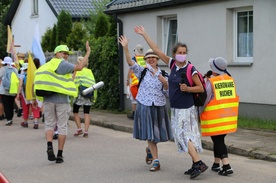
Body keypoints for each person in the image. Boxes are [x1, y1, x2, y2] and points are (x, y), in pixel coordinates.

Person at [134, 25, 208, 179]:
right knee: (185, 136)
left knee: (182, 135)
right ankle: (195, 163)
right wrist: (144, 34)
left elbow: (200, 88)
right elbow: (156, 49)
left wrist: (187, 89)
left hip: (186, 108)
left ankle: (198, 162)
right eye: (179, 53)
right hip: (176, 108)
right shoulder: (172, 64)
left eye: (184, 52)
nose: (182, 55)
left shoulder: (190, 69)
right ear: (174, 54)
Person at [119, 35, 173, 172]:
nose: (151, 59)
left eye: (153, 57)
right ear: (146, 60)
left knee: (156, 134)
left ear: (157, 59)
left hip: (159, 106)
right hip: (144, 105)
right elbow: (130, 63)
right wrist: (125, 48)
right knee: (150, 134)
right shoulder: (142, 71)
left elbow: (167, 94)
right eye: (148, 57)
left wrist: (165, 83)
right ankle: (156, 161)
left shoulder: (165, 74)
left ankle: (150, 150)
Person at [34, 41, 91, 163]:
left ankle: (49, 146)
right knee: (62, 127)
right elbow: (80, 67)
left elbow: (66, 80)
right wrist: (88, 53)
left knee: (49, 124)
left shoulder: (47, 66)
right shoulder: (62, 64)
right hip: (62, 101)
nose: (65, 55)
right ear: (57, 53)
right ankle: (59, 155)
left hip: (48, 100)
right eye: (64, 53)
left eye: (67, 54)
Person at [199, 57, 239, 176]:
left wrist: (198, 112)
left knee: (218, 141)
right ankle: (216, 164)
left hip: (215, 118)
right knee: (219, 140)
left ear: (214, 69)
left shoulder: (211, 82)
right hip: (228, 117)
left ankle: (227, 166)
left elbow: (205, 100)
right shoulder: (230, 79)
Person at [72, 56, 96, 138]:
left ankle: (79, 129)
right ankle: (86, 132)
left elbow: (73, 81)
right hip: (88, 94)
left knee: (75, 111)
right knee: (87, 113)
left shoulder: (77, 70)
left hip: (79, 94)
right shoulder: (90, 71)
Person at [16, 63, 40, 129]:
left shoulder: (22, 75)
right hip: (33, 94)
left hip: (25, 95)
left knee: (25, 108)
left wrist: (18, 94)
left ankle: (25, 122)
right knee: (35, 107)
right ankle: (35, 122)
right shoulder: (35, 74)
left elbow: (20, 85)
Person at [126, 44, 145, 120]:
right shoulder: (144, 59)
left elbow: (131, 70)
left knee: (134, 99)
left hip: (135, 82)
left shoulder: (134, 59)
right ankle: (141, 115)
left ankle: (134, 115)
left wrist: (127, 80)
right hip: (143, 82)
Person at [0, 57, 19, 126]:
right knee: (11, 104)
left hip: (4, 90)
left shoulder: (2, 69)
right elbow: (18, 78)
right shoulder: (15, 69)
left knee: (6, 104)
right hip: (13, 90)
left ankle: (8, 119)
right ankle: (11, 117)